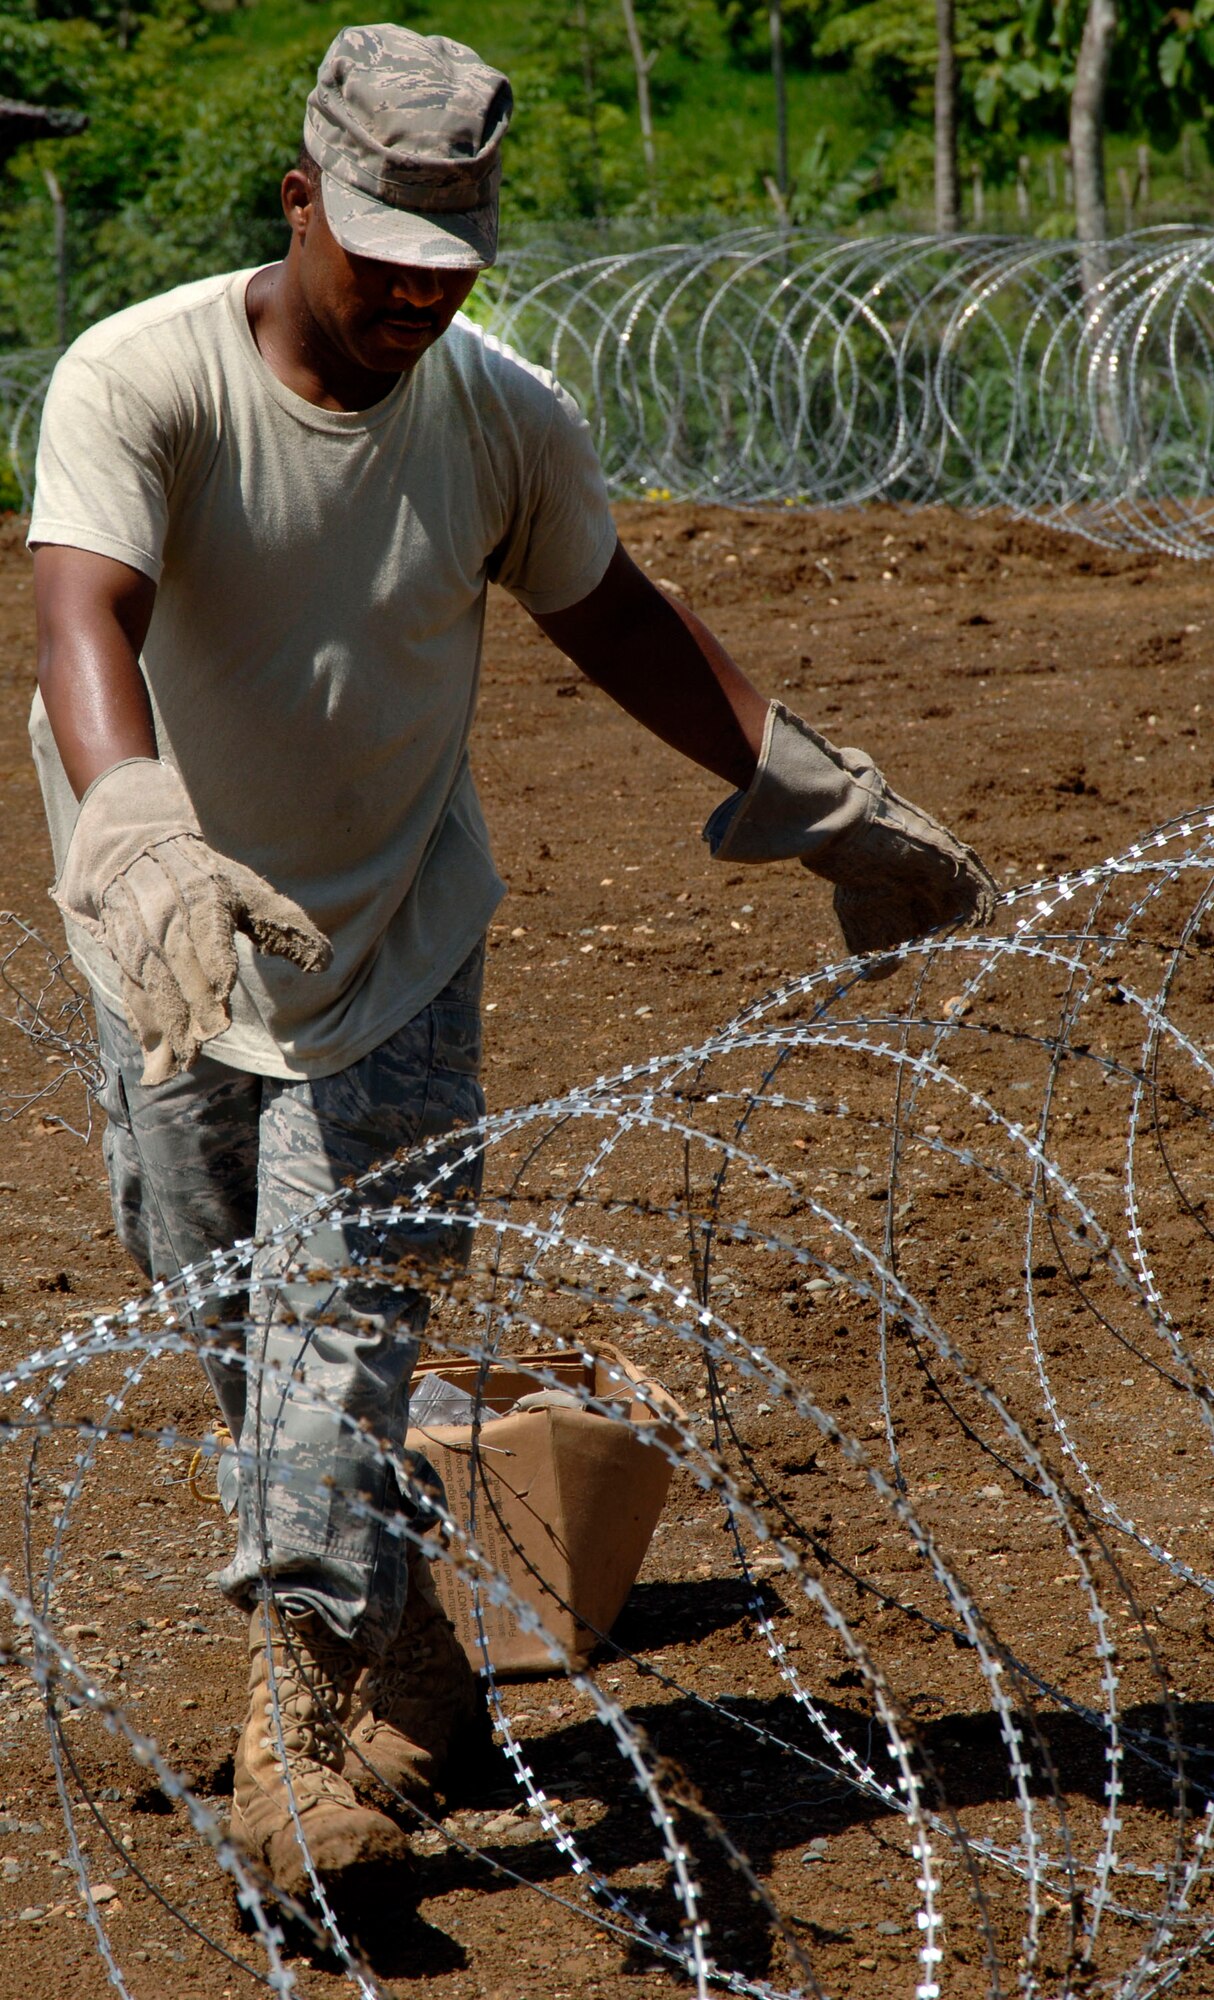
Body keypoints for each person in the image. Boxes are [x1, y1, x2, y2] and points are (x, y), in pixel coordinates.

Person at [28, 23, 995, 1906]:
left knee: (333, 1342)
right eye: (379, 246)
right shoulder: (138, 375)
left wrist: (819, 799)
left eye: (449, 260)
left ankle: (292, 1751)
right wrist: (136, 829)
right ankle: (413, 1654)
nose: (411, 292)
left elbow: (611, 611)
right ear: (300, 196)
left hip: (391, 945)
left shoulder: (498, 410)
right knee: (240, 1342)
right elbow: (83, 606)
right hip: (171, 937)